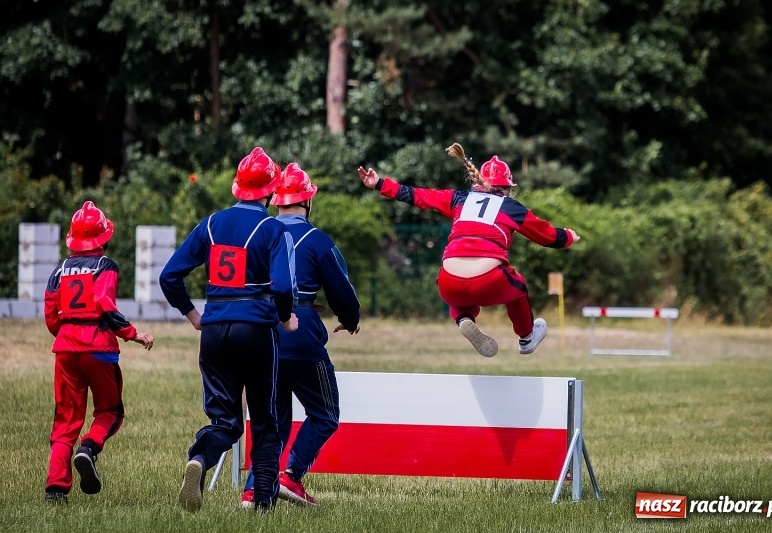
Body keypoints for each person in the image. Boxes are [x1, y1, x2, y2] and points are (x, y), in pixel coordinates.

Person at [159, 147, 299, 513]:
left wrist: (193, 315)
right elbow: (283, 288)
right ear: (271, 191)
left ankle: (201, 460)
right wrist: (285, 318)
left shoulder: (209, 224)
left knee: (225, 420)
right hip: (255, 329)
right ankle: (262, 502)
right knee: (266, 420)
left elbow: (169, 276)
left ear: (237, 187)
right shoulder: (274, 229)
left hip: (215, 327)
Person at [357, 143, 580, 357]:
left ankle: (463, 318)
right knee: (518, 285)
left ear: (479, 183)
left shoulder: (458, 199)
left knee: (455, 287)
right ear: (508, 188)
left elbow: (418, 195)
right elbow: (548, 236)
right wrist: (569, 237)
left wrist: (379, 183)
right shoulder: (512, 208)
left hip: (449, 282)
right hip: (489, 281)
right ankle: (526, 337)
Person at [240, 162, 361, 508]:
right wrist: (350, 318)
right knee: (325, 414)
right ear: (307, 201)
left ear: (277, 200)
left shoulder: (258, 233)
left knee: (271, 422)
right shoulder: (317, 240)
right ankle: (291, 476)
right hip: (303, 333)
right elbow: (341, 288)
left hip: (261, 333)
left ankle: (253, 491)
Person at [43, 201, 155, 504]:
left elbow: (51, 315)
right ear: (103, 238)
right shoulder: (105, 266)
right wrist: (133, 334)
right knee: (110, 411)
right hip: (99, 348)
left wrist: (68, 335)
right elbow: (105, 304)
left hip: (65, 349)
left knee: (66, 419)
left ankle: (55, 489)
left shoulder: (59, 270)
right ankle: (88, 449)